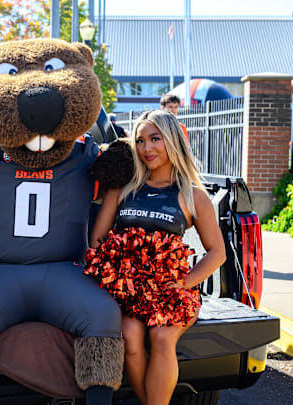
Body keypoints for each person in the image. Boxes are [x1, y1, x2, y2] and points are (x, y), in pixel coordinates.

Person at [89, 110, 226, 405]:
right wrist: (116, 278)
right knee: (130, 337)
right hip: (127, 292)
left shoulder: (192, 195)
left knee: (163, 338)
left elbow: (218, 252)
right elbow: (97, 241)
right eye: (140, 141)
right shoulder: (123, 189)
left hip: (170, 291)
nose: (147, 148)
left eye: (155, 139)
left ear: (173, 141)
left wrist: (185, 282)